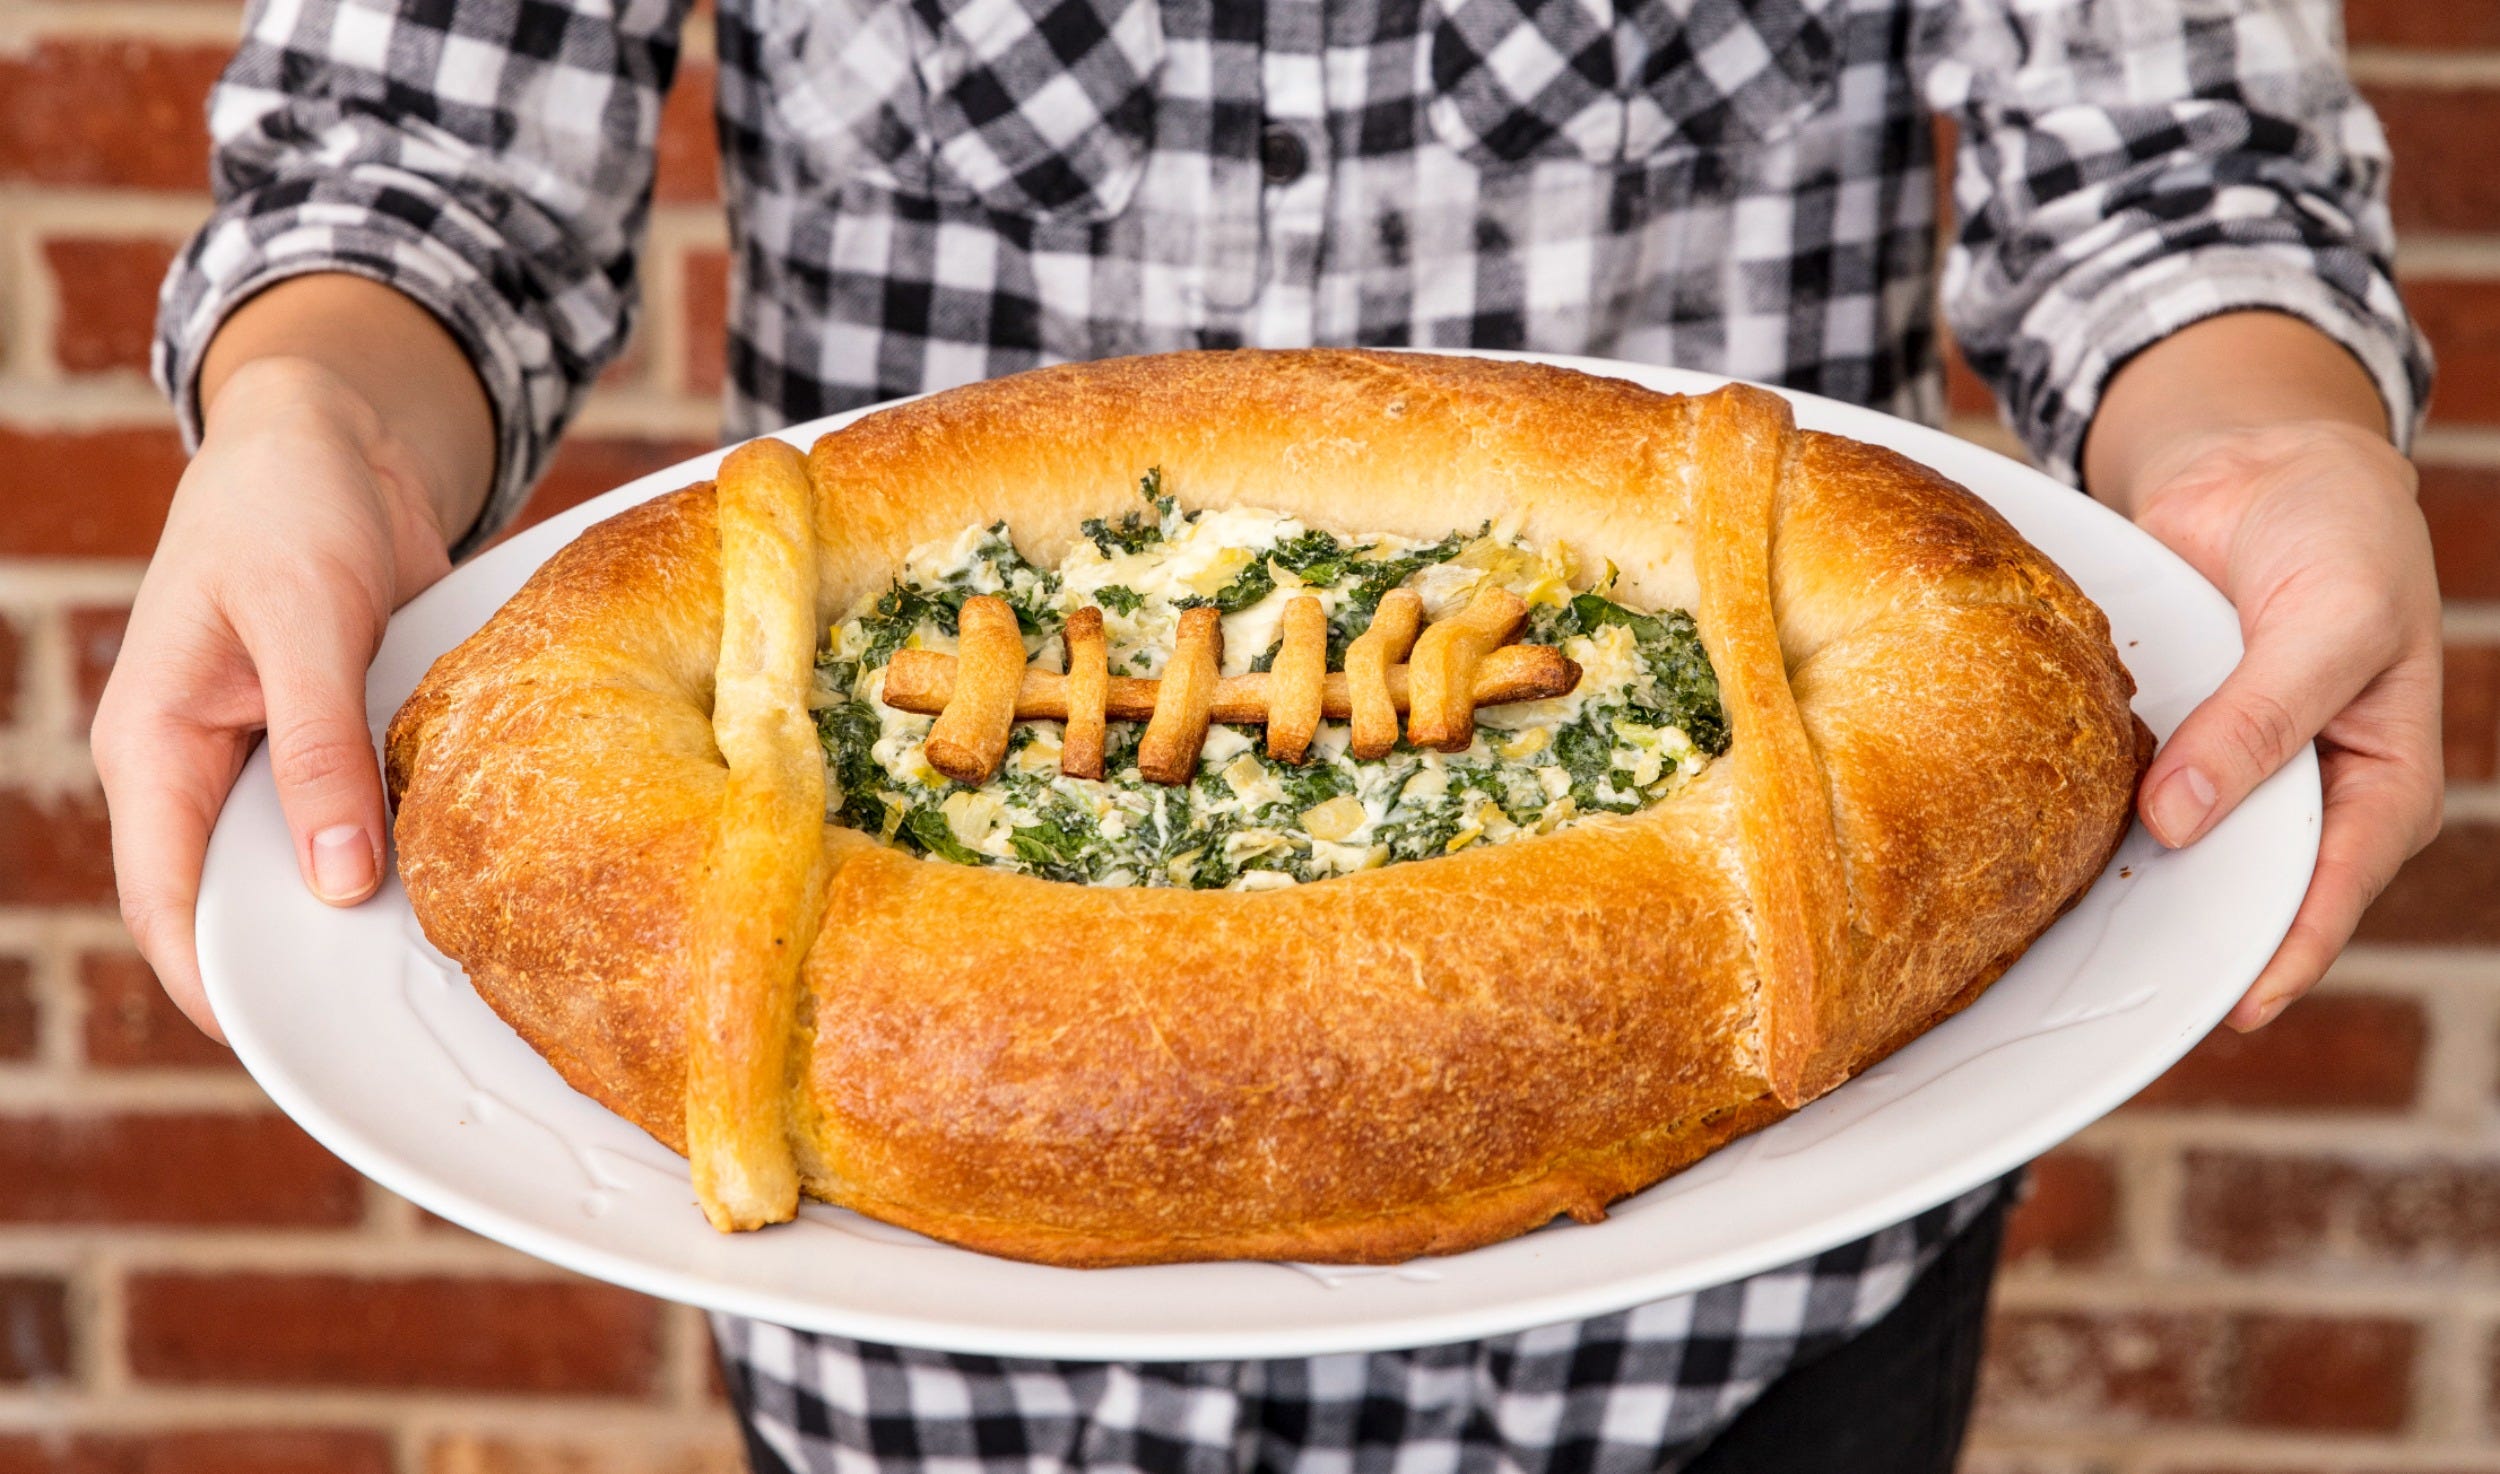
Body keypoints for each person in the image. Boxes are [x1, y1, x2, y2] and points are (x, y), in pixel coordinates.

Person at [94, 0, 2440, 1468]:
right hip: (917, 1325)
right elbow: (423, 153)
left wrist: (2252, 434)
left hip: (1750, 1289)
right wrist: (317, 408)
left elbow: (2168, 170)